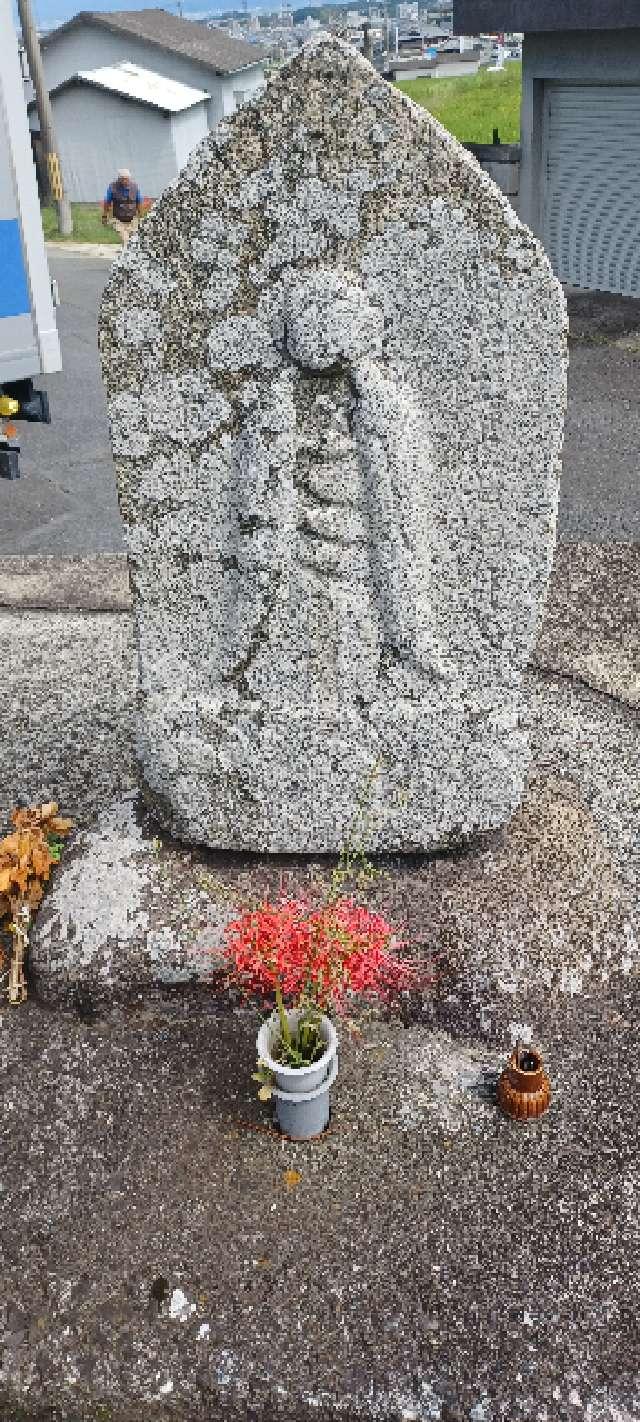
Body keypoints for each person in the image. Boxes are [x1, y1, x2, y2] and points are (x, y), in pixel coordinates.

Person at [102, 168, 142, 245]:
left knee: (134, 240)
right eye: (123, 179)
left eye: (126, 179)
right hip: (118, 220)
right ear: (119, 179)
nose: (125, 181)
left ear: (129, 179)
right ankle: (127, 254)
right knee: (125, 240)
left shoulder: (134, 187)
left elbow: (139, 201)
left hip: (132, 219)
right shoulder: (113, 187)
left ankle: (129, 254)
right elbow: (107, 202)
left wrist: (140, 216)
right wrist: (104, 216)